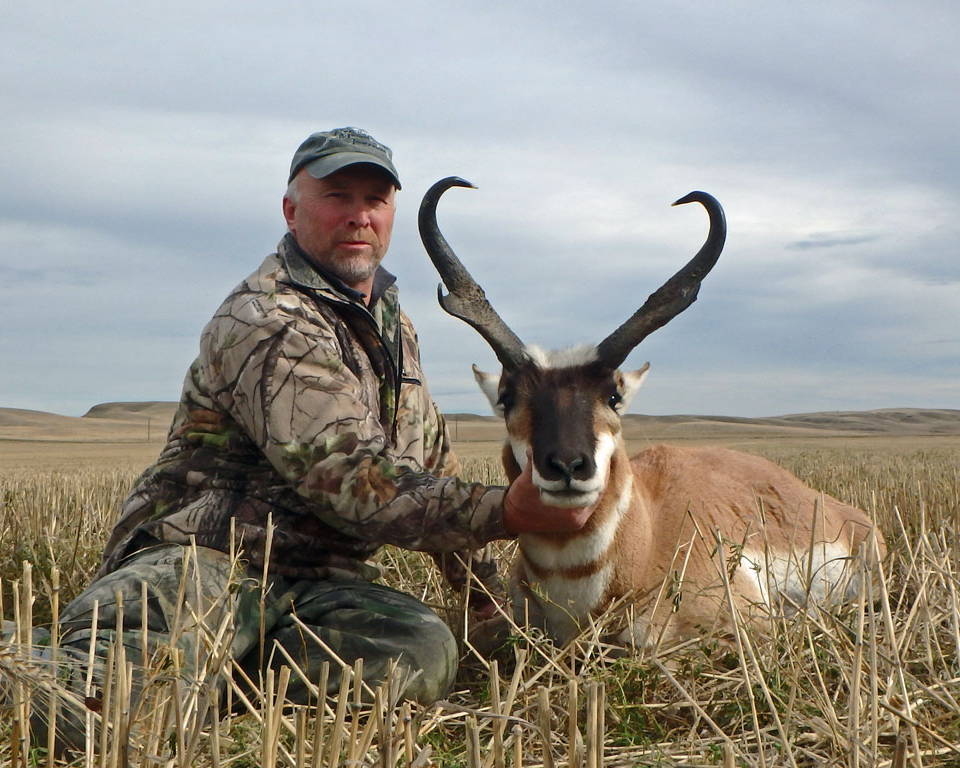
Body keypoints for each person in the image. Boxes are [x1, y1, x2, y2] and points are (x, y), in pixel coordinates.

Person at [33, 128, 591, 753]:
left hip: (321, 587)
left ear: (391, 215)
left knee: (422, 652)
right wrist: (506, 511)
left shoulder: (392, 327)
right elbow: (347, 479)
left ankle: (221, 679)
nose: (359, 215)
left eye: (375, 199)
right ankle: (56, 657)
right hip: (206, 562)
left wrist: (483, 602)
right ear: (291, 211)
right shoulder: (264, 316)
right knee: (91, 712)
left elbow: (428, 458)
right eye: (337, 196)